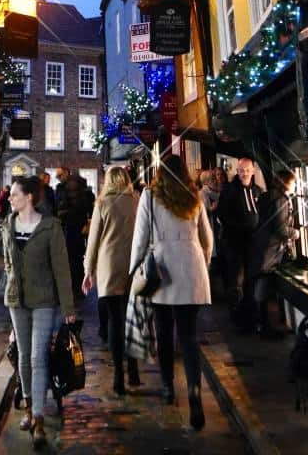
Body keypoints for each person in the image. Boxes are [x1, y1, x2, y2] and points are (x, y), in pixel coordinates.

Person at [129, 154, 213, 430]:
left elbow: (140, 239)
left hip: (162, 270)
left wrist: (133, 272)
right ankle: (194, 391)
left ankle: (167, 386)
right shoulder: (193, 196)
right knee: (189, 337)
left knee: (164, 333)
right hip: (191, 268)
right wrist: (203, 263)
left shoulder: (150, 197)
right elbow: (207, 239)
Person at [2, 175, 75, 450]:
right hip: (16, 301)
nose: (10, 198)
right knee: (23, 355)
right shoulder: (8, 225)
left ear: (29, 197)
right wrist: (11, 287)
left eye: (15, 194)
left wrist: (68, 307)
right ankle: (30, 409)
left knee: (37, 356)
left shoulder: (50, 227)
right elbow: (8, 263)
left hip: (44, 300)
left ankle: (41, 418)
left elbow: (61, 269)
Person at [82, 166, 141, 395]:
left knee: (115, 323)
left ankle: (118, 376)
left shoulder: (102, 204)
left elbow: (93, 240)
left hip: (109, 268)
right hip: (133, 266)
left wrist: (88, 270)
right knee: (132, 320)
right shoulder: (136, 201)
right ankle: (134, 369)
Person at [248, 170, 299, 337]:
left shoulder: (267, 196)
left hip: (261, 245)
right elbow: (281, 228)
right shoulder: (281, 200)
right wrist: (295, 233)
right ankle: (263, 325)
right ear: (286, 183)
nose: (295, 185)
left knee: (260, 282)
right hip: (271, 248)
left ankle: (260, 322)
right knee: (264, 282)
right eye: (293, 182)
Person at [217, 155, 263, 327]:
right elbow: (222, 215)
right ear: (237, 171)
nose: (244, 173)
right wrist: (240, 228)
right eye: (241, 170)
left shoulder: (257, 191)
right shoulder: (229, 191)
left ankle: (250, 317)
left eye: (247, 170)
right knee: (236, 282)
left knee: (251, 281)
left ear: (253, 171)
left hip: (253, 245)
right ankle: (237, 319)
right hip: (234, 244)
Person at [56, 169, 93, 295]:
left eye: (60, 175)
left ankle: (71, 288)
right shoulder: (84, 190)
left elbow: (62, 208)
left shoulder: (65, 190)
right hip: (80, 227)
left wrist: (61, 213)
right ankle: (79, 288)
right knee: (77, 258)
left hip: (68, 227)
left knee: (69, 259)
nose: (58, 177)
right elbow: (88, 207)